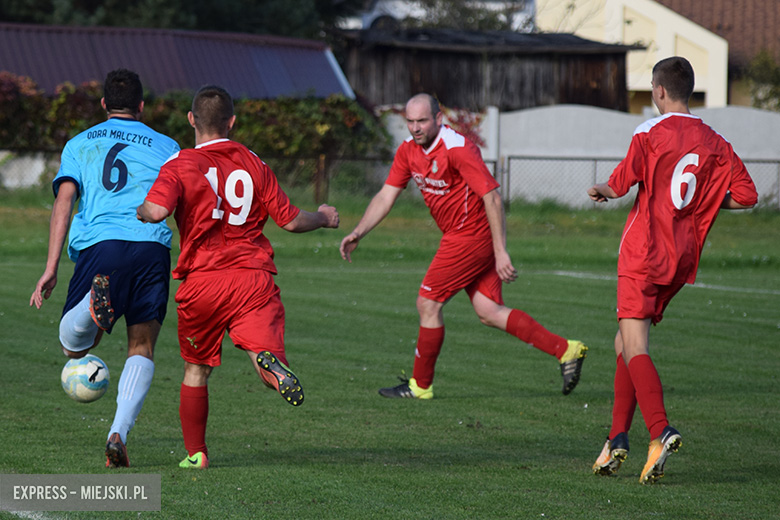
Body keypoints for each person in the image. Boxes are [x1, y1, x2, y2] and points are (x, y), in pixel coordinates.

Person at [136, 85, 340, 470]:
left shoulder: (180, 163)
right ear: (232, 121)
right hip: (252, 277)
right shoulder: (253, 161)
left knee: (196, 369)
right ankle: (269, 364)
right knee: (263, 354)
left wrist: (142, 211)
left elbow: (158, 210)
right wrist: (325, 218)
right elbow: (292, 220)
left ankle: (196, 454)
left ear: (192, 120)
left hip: (202, 283)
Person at [340, 93, 588, 400]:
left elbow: (493, 197)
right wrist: (358, 232)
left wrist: (500, 252)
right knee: (489, 311)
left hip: (470, 236)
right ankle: (567, 350)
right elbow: (386, 195)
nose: (415, 128)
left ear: (439, 118)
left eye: (422, 121)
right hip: (463, 236)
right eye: (410, 121)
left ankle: (420, 386)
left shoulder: (457, 149)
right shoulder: (407, 151)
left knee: (428, 304)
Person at [587, 56, 758, 484]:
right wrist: (704, 201)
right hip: (680, 259)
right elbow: (748, 195)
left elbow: (621, 182)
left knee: (636, 344)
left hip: (644, 253)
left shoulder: (649, 131)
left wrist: (602, 190)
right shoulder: (714, 140)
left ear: (659, 91)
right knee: (622, 343)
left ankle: (660, 430)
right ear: (690, 91)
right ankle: (615, 440)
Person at [29, 69, 181, 468]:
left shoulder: (80, 144)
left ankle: (88, 310)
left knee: (73, 345)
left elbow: (64, 202)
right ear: (142, 106)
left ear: (103, 105)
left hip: (102, 246)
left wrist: (50, 267)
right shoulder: (168, 146)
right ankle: (118, 432)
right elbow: (184, 207)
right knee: (142, 346)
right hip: (152, 249)